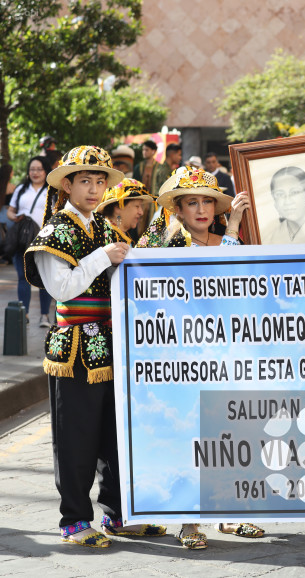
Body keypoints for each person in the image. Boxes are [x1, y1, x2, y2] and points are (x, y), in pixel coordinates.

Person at [24, 145, 166, 548]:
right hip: (73, 349)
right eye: (84, 180)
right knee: (77, 436)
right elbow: (62, 288)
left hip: (111, 346)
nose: (93, 188)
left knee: (114, 435)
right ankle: (74, 519)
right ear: (67, 184)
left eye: (100, 180)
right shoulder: (55, 232)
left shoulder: (107, 230)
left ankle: (117, 515)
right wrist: (103, 257)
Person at [137, 165, 263, 548]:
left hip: (226, 355)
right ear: (178, 209)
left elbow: (236, 283)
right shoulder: (166, 247)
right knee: (189, 434)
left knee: (228, 433)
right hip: (181, 357)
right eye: (192, 202)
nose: (202, 209)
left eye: (207, 201)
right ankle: (188, 519)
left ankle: (226, 514)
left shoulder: (229, 240)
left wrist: (236, 224)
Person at [6, 156, 53, 326]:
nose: (35, 173)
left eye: (39, 169)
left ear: (46, 170)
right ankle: (23, 314)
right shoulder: (21, 189)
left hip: (44, 240)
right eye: (32, 169)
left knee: (43, 279)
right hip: (23, 239)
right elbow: (11, 211)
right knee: (22, 277)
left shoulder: (52, 191)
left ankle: (44, 316)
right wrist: (16, 217)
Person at [96, 178, 154, 244]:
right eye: (137, 206)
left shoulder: (121, 234)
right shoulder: (103, 236)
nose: (141, 212)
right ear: (118, 207)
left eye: (141, 207)